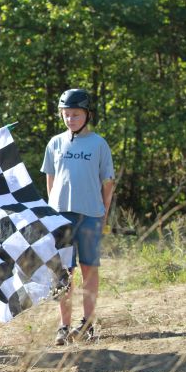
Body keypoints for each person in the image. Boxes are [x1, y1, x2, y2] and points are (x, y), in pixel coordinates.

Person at [41, 89, 115, 345]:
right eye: (66, 114)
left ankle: (87, 324)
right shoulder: (55, 143)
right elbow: (50, 179)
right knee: (63, 273)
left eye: (75, 114)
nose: (70, 119)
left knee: (89, 269)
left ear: (87, 115)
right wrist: (53, 211)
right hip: (61, 217)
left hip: (91, 215)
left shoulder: (99, 144)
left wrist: (103, 214)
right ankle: (63, 326)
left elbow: (108, 183)